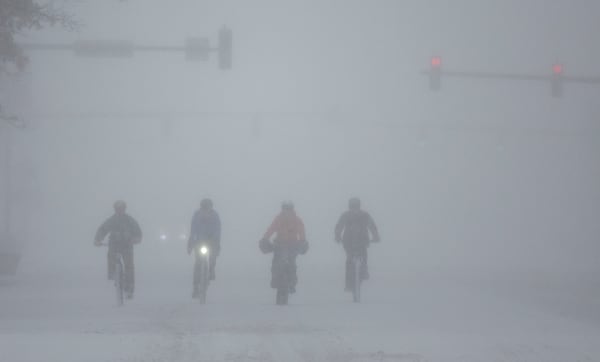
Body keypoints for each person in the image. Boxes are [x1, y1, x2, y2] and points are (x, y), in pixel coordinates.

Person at [94, 200, 142, 299]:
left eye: (121, 209)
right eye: (118, 209)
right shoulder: (111, 220)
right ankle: (113, 274)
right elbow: (103, 229)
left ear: (124, 209)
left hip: (127, 246)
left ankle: (129, 289)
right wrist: (98, 239)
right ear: (115, 210)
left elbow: (138, 231)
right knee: (111, 257)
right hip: (114, 245)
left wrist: (136, 238)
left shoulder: (130, 220)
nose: (120, 211)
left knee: (129, 266)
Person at [260, 201, 308, 294]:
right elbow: (271, 229)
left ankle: (288, 282)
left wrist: (265, 238)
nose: (287, 211)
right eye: (285, 208)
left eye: (288, 208)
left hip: (287, 245)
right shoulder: (287, 219)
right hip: (284, 245)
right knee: (283, 264)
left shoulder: (292, 219)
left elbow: (271, 229)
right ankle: (286, 282)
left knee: (286, 264)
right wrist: (265, 238)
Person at [334, 197, 380, 292]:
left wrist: (338, 237)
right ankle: (363, 272)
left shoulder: (346, 215)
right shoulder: (364, 215)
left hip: (349, 242)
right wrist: (376, 237)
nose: (354, 209)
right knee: (362, 256)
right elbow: (372, 226)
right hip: (360, 241)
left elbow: (339, 227)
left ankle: (349, 284)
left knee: (349, 261)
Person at [187, 198, 221, 296]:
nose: (206, 209)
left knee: (213, 255)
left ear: (211, 207)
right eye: (204, 207)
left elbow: (218, 229)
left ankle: (211, 270)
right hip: (199, 241)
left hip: (212, 240)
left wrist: (216, 240)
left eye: (208, 207)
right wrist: (191, 241)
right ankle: (196, 287)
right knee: (198, 263)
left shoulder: (215, 216)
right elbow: (193, 228)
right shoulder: (197, 215)